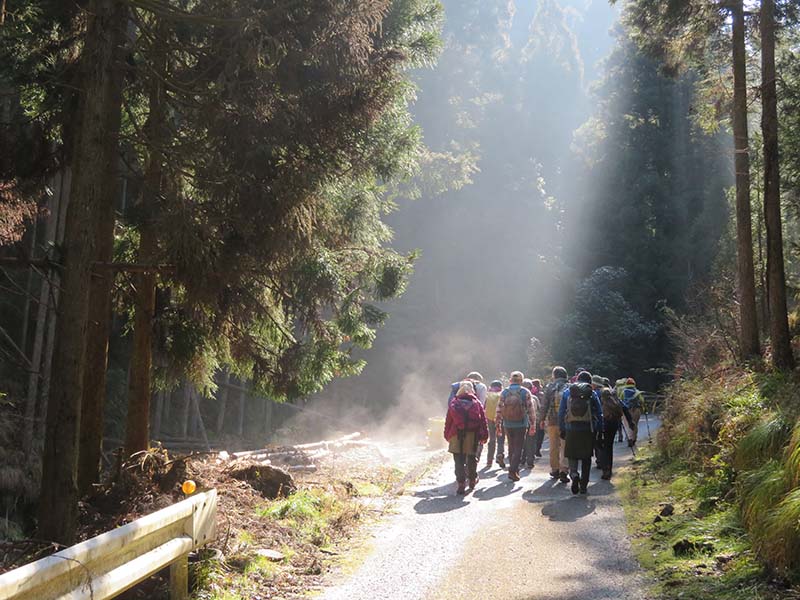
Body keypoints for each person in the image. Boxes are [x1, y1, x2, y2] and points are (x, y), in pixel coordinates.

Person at [559, 371, 603, 494]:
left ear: (577, 379)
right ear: (589, 381)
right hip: (588, 429)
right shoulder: (592, 393)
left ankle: (574, 475)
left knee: (572, 455)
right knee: (586, 457)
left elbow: (562, 412)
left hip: (571, 428)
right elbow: (599, 413)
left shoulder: (568, 392)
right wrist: (600, 429)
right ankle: (583, 485)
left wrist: (562, 428)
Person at [444, 381, 489, 494]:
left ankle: (461, 483)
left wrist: (447, 435)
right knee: (471, 458)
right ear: (472, 390)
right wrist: (485, 435)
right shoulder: (477, 403)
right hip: (472, 435)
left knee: (458, 460)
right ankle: (472, 480)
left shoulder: (454, 402)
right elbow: (483, 421)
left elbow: (448, 421)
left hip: (456, 434)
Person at [496, 371, 535, 482]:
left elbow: (498, 409)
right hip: (521, 424)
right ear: (521, 381)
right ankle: (513, 470)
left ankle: (513, 469)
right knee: (518, 447)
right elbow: (531, 410)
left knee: (511, 446)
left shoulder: (504, 392)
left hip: (507, 423)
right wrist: (533, 425)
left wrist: (498, 424)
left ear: (510, 380)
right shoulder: (525, 392)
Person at [541, 366, 570, 483]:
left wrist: (541, 419)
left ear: (554, 375)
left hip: (552, 420)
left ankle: (555, 469)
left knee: (553, 446)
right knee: (565, 446)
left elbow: (544, 405)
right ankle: (564, 471)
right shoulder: (569, 386)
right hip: (566, 422)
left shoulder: (550, 387)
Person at [593, 375, 623, 480]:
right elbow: (622, 406)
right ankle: (608, 469)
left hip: (602, 422)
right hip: (613, 422)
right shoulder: (611, 393)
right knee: (608, 446)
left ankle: (604, 467)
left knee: (600, 445)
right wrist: (630, 421)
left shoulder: (596, 393)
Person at [483, 380, 505, 469]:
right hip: (501, 418)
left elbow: (483, 407)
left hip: (489, 419)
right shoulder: (503, 395)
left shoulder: (487, 395)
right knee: (501, 438)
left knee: (492, 439)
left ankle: (489, 460)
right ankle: (500, 454)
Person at [617, 377, 644, 447]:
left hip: (626, 411)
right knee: (635, 424)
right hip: (636, 410)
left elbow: (620, 401)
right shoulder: (637, 392)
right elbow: (642, 401)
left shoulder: (623, 392)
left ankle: (629, 439)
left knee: (627, 425)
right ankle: (634, 438)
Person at [531, 378, 545, 458]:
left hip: (531, 418)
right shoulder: (541, 394)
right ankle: (537, 450)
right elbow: (543, 406)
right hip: (539, 417)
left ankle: (532, 450)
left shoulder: (529, 394)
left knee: (532, 436)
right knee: (540, 434)